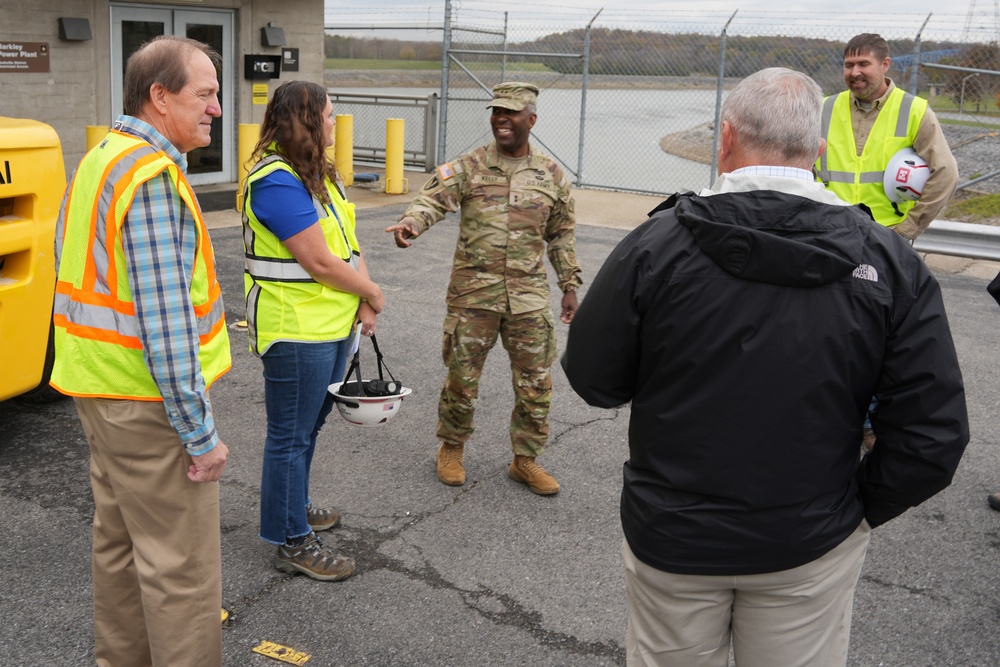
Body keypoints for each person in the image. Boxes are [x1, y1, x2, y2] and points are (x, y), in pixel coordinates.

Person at [562, 67, 969, 666]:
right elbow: (933, 435)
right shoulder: (886, 261)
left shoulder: (657, 246)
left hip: (675, 537)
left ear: (724, 140)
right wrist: (855, 512)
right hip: (808, 542)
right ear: (820, 153)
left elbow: (594, 380)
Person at [51, 36, 231, 666]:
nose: (216, 107)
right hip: (148, 404)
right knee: (180, 572)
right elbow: (166, 323)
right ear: (160, 97)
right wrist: (199, 433)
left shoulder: (103, 157)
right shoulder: (152, 177)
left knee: (121, 551)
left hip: (99, 391)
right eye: (204, 94)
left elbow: (68, 266)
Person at [385, 82, 582, 495]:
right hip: (473, 296)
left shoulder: (551, 173)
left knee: (536, 383)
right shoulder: (471, 165)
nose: (500, 120)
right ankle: (452, 448)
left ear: (531, 119)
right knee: (462, 378)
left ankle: (525, 459)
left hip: (528, 299)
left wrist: (569, 283)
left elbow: (561, 233)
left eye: (510, 113)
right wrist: (411, 223)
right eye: (496, 112)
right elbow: (432, 200)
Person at [242, 80, 384, 581]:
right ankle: (292, 539)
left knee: (307, 429)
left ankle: (293, 507)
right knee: (290, 435)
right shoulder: (276, 181)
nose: (333, 120)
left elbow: (348, 241)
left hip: (328, 325)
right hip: (294, 330)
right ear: (305, 120)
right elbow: (320, 261)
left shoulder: (321, 175)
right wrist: (374, 292)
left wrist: (363, 295)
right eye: (328, 113)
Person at [817, 33, 958, 241]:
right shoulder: (823, 108)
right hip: (829, 232)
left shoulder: (913, 110)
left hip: (885, 237)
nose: (855, 72)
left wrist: (906, 230)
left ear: (885, 65)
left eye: (863, 64)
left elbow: (946, 174)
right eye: (849, 65)